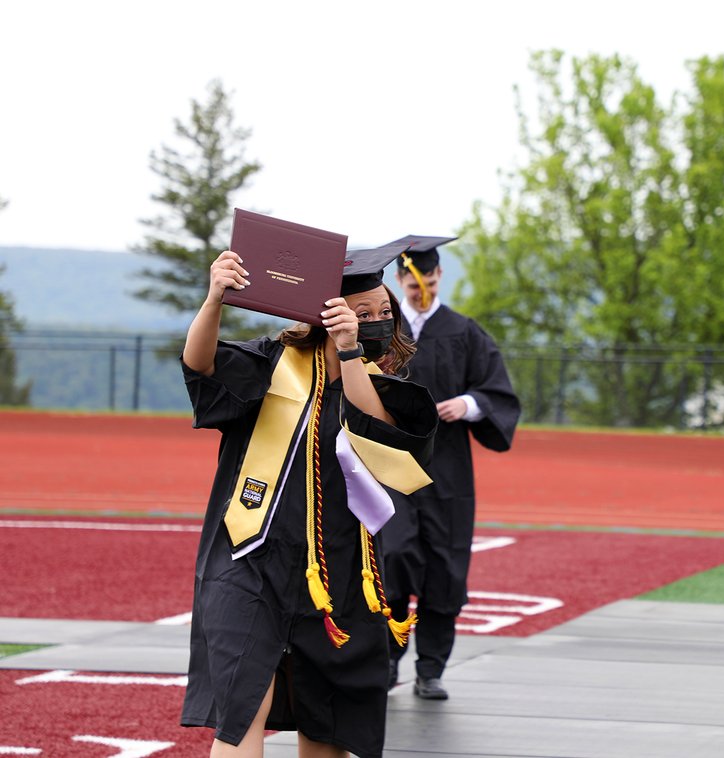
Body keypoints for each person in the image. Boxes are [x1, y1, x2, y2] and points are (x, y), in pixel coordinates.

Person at [179, 245, 439, 758]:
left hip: (341, 573)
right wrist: (213, 301)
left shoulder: (385, 390)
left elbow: (378, 437)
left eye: (382, 312)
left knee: (328, 730)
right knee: (240, 712)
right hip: (250, 561)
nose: (374, 321)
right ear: (325, 314)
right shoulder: (271, 365)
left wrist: (351, 352)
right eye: (360, 312)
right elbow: (201, 365)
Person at [374, 235, 521, 700]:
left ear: (439, 276)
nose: (423, 293)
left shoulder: (464, 332)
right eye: (414, 286)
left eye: (431, 283)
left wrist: (468, 404)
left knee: (445, 565)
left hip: (449, 470)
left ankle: (431, 670)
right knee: (394, 557)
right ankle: (387, 660)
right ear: (401, 280)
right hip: (395, 465)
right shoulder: (386, 330)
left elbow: (496, 391)